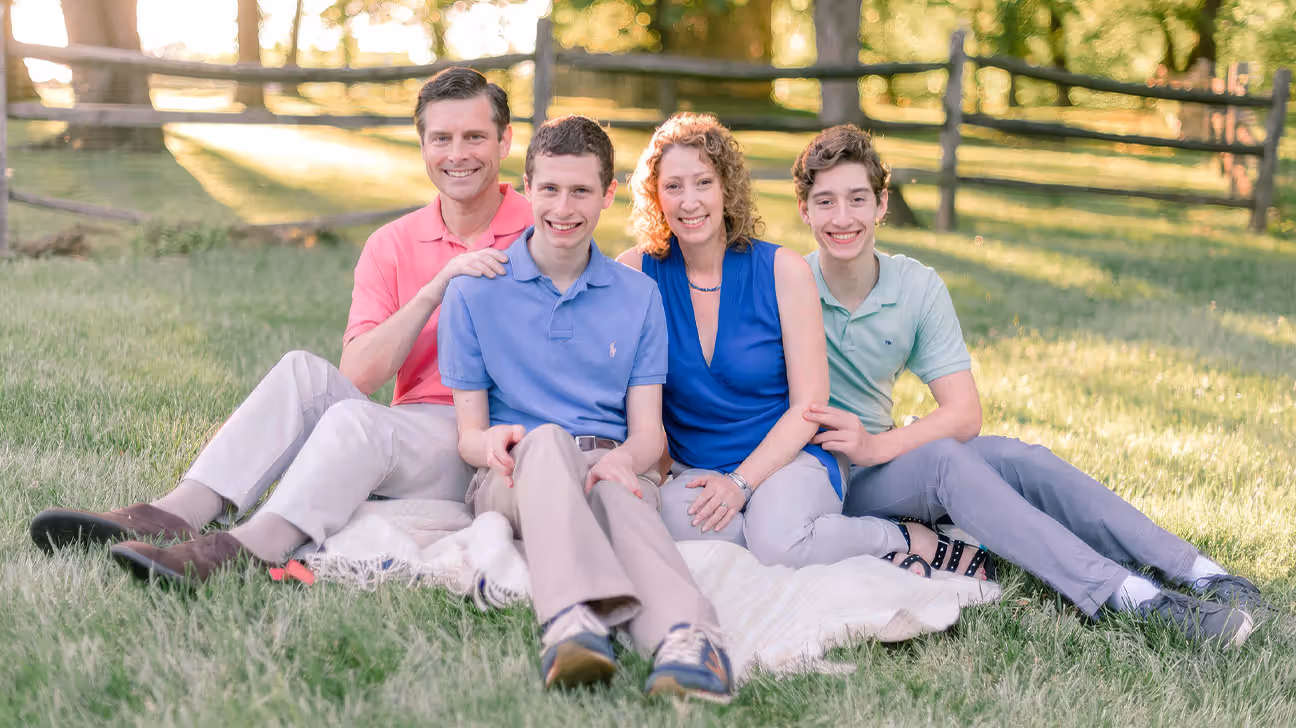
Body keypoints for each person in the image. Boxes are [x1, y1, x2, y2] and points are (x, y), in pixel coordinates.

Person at [28, 68, 532, 586]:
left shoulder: (542, 231)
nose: (458, 154)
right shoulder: (394, 242)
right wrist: (432, 292)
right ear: (423, 145)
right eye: (441, 139)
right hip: (409, 430)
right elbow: (358, 374)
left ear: (505, 140)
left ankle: (244, 548)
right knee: (301, 373)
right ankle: (173, 513)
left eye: (474, 137)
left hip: (482, 445)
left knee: (359, 423)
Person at [795, 123, 1269, 647]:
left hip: (881, 455)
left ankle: (1199, 570)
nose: (843, 218)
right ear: (805, 210)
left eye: (857, 199)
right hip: (825, 479)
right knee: (946, 460)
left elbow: (963, 414)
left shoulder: (916, 285)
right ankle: (1128, 595)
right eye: (826, 201)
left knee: (1023, 459)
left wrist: (877, 443)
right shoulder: (786, 283)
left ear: (882, 204)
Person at [439, 114, 732, 701]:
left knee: (617, 493)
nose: (563, 207)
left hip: (607, 459)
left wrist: (623, 461)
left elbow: (648, 434)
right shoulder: (474, 290)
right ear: (526, 189)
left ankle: (689, 642)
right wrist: (490, 444)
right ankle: (572, 619)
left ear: (608, 194)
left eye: (580, 191)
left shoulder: (638, 295)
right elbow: (470, 436)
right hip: (517, 470)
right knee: (545, 439)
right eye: (549, 189)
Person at [616, 113, 915, 572]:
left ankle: (899, 536)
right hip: (695, 471)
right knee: (660, 523)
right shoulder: (636, 272)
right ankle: (774, 534)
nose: (690, 201)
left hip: (790, 458)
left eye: (703, 183)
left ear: (726, 189)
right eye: (673, 186)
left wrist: (741, 484)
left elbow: (808, 407)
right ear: (656, 195)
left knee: (777, 543)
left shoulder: (782, 271)